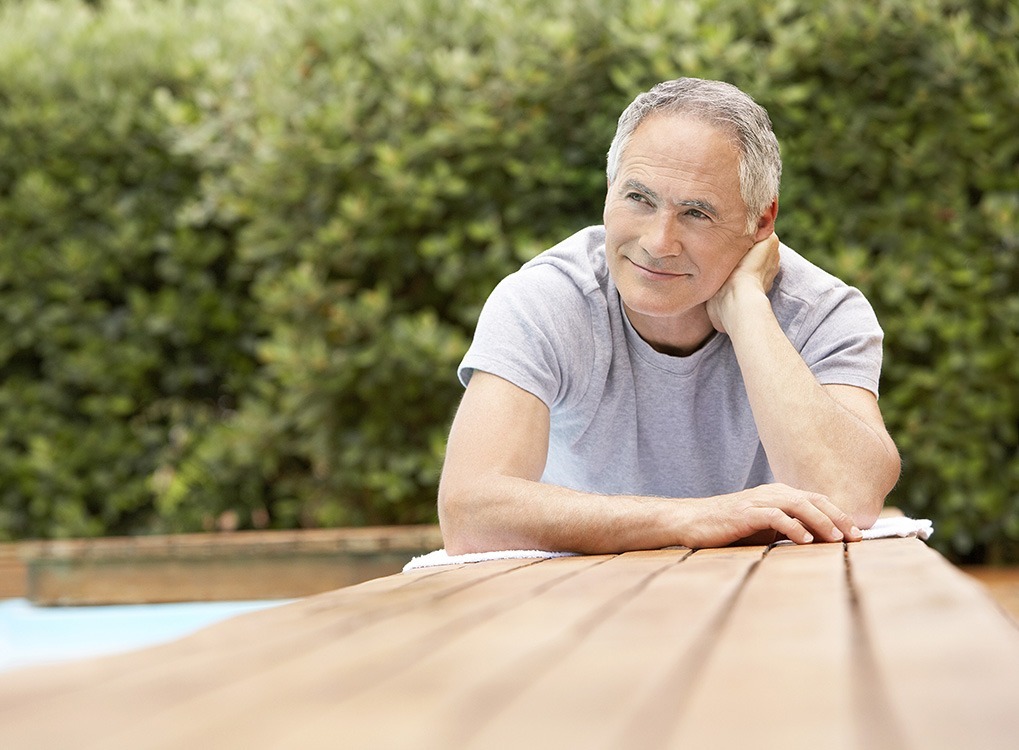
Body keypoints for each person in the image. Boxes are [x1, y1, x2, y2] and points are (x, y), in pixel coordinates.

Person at [438, 78, 900, 555]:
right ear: (608, 190)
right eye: (639, 198)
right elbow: (469, 513)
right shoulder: (546, 300)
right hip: (577, 598)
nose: (658, 243)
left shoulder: (822, 312)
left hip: (772, 596)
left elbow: (850, 497)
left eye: (696, 213)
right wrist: (692, 518)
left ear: (760, 221)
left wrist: (749, 313)